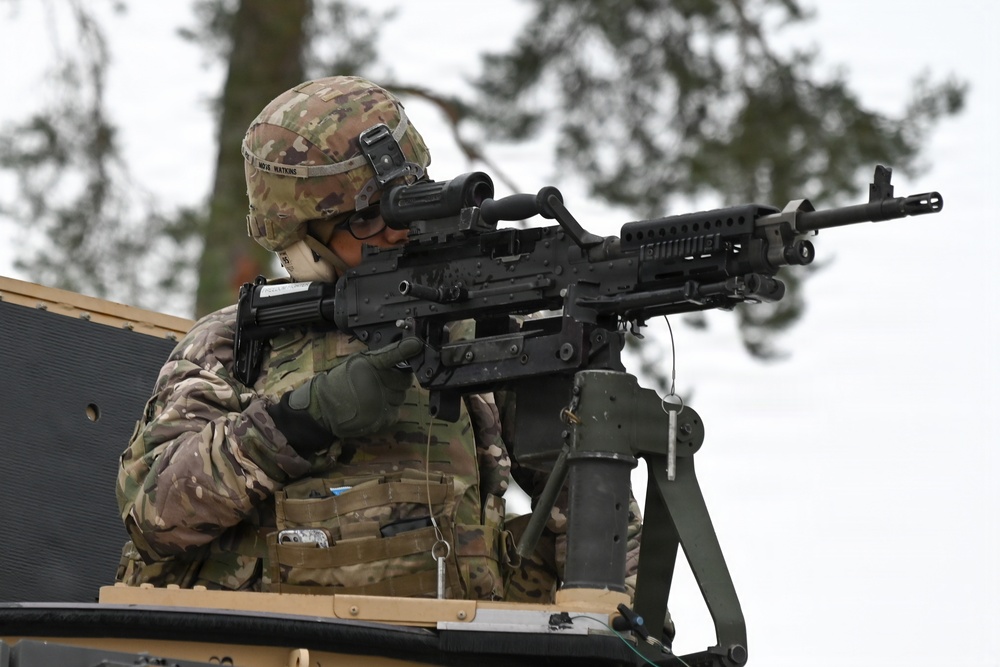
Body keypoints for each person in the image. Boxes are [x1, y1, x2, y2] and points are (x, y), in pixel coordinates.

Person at [115, 75, 641, 601]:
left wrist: (616, 625)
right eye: (367, 218)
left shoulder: (475, 328)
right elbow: (153, 513)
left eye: (407, 202)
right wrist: (302, 420)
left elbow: (599, 522)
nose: (397, 229)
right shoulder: (236, 343)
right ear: (298, 234)